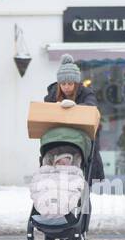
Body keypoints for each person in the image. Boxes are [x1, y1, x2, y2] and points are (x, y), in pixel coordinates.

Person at [44, 53, 104, 181]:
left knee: (83, 188)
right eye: (63, 83)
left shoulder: (86, 93)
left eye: (70, 83)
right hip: (58, 140)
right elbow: (45, 112)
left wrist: (74, 106)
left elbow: (91, 106)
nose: (66, 87)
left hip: (81, 140)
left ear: (76, 83)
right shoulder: (52, 94)